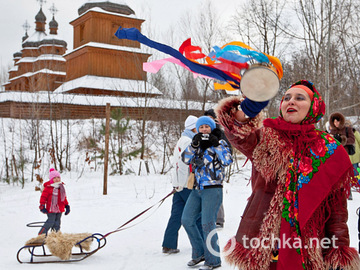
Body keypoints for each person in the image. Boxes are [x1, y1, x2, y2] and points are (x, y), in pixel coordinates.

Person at [215, 80, 360, 270]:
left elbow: (337, 210)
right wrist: (246, 111)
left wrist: (338, 250)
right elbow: (238, 134)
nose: (291, 102)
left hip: (311, 250)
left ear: (314, 107)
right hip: (264, 247)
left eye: (300, 98)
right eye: (286, 98)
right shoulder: (265, 136)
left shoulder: (331, 149)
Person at [181, 116, 233, 270]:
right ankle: (199, 253)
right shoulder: (196, 143)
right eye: (201, 127)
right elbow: (184, 159)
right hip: (197, 188)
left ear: (211, 128)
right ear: (197, 129)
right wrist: (193, 145)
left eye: (207, 127)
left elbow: (227, 161)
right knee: (187, 219)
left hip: (213, 188)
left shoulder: (220, 142)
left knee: (208, 223)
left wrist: (215, 144)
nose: (204, 130)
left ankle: (213, 260)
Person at [162, 115, 202, 254]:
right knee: (197, 214)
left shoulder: (184, 139)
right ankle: (202, 244)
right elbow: (183, 164)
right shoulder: (188, 141)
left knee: (177, 215)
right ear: (193, 128)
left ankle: (169, 244)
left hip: (180, 184)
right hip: (186, 185)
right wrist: (182, 183)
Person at [204, 109, 232, 228]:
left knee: (216, 192)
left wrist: (217, 146)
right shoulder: (202, 134)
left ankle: (219, 219)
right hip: (204, 169)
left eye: (211, 119)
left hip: (217, 169)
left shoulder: (220, 133)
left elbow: (228, 153)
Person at [329, 112, 356, 200]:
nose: (336, 123)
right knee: (336, 175)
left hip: (345, 155)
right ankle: (337, 193)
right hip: (335, 155)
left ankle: (349, 192)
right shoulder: (332, 130)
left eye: (338, 121)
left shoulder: (347, 129)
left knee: (346, 174)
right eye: (334, 122)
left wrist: (341, 139)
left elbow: (352, 140)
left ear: (341, 121)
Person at [38, 168, 70, 235]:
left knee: (57, 223)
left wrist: (67, 206)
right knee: (51, 221)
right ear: (51, 179)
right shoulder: (48, 188)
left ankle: (55, 235)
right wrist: (42, 205)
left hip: (60, 209)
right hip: (51, 209)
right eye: (54, 178)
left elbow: (63, 198)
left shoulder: (61, 187)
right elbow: (43, 197)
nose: (57, 179)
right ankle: (41, 234)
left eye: (58, 177)